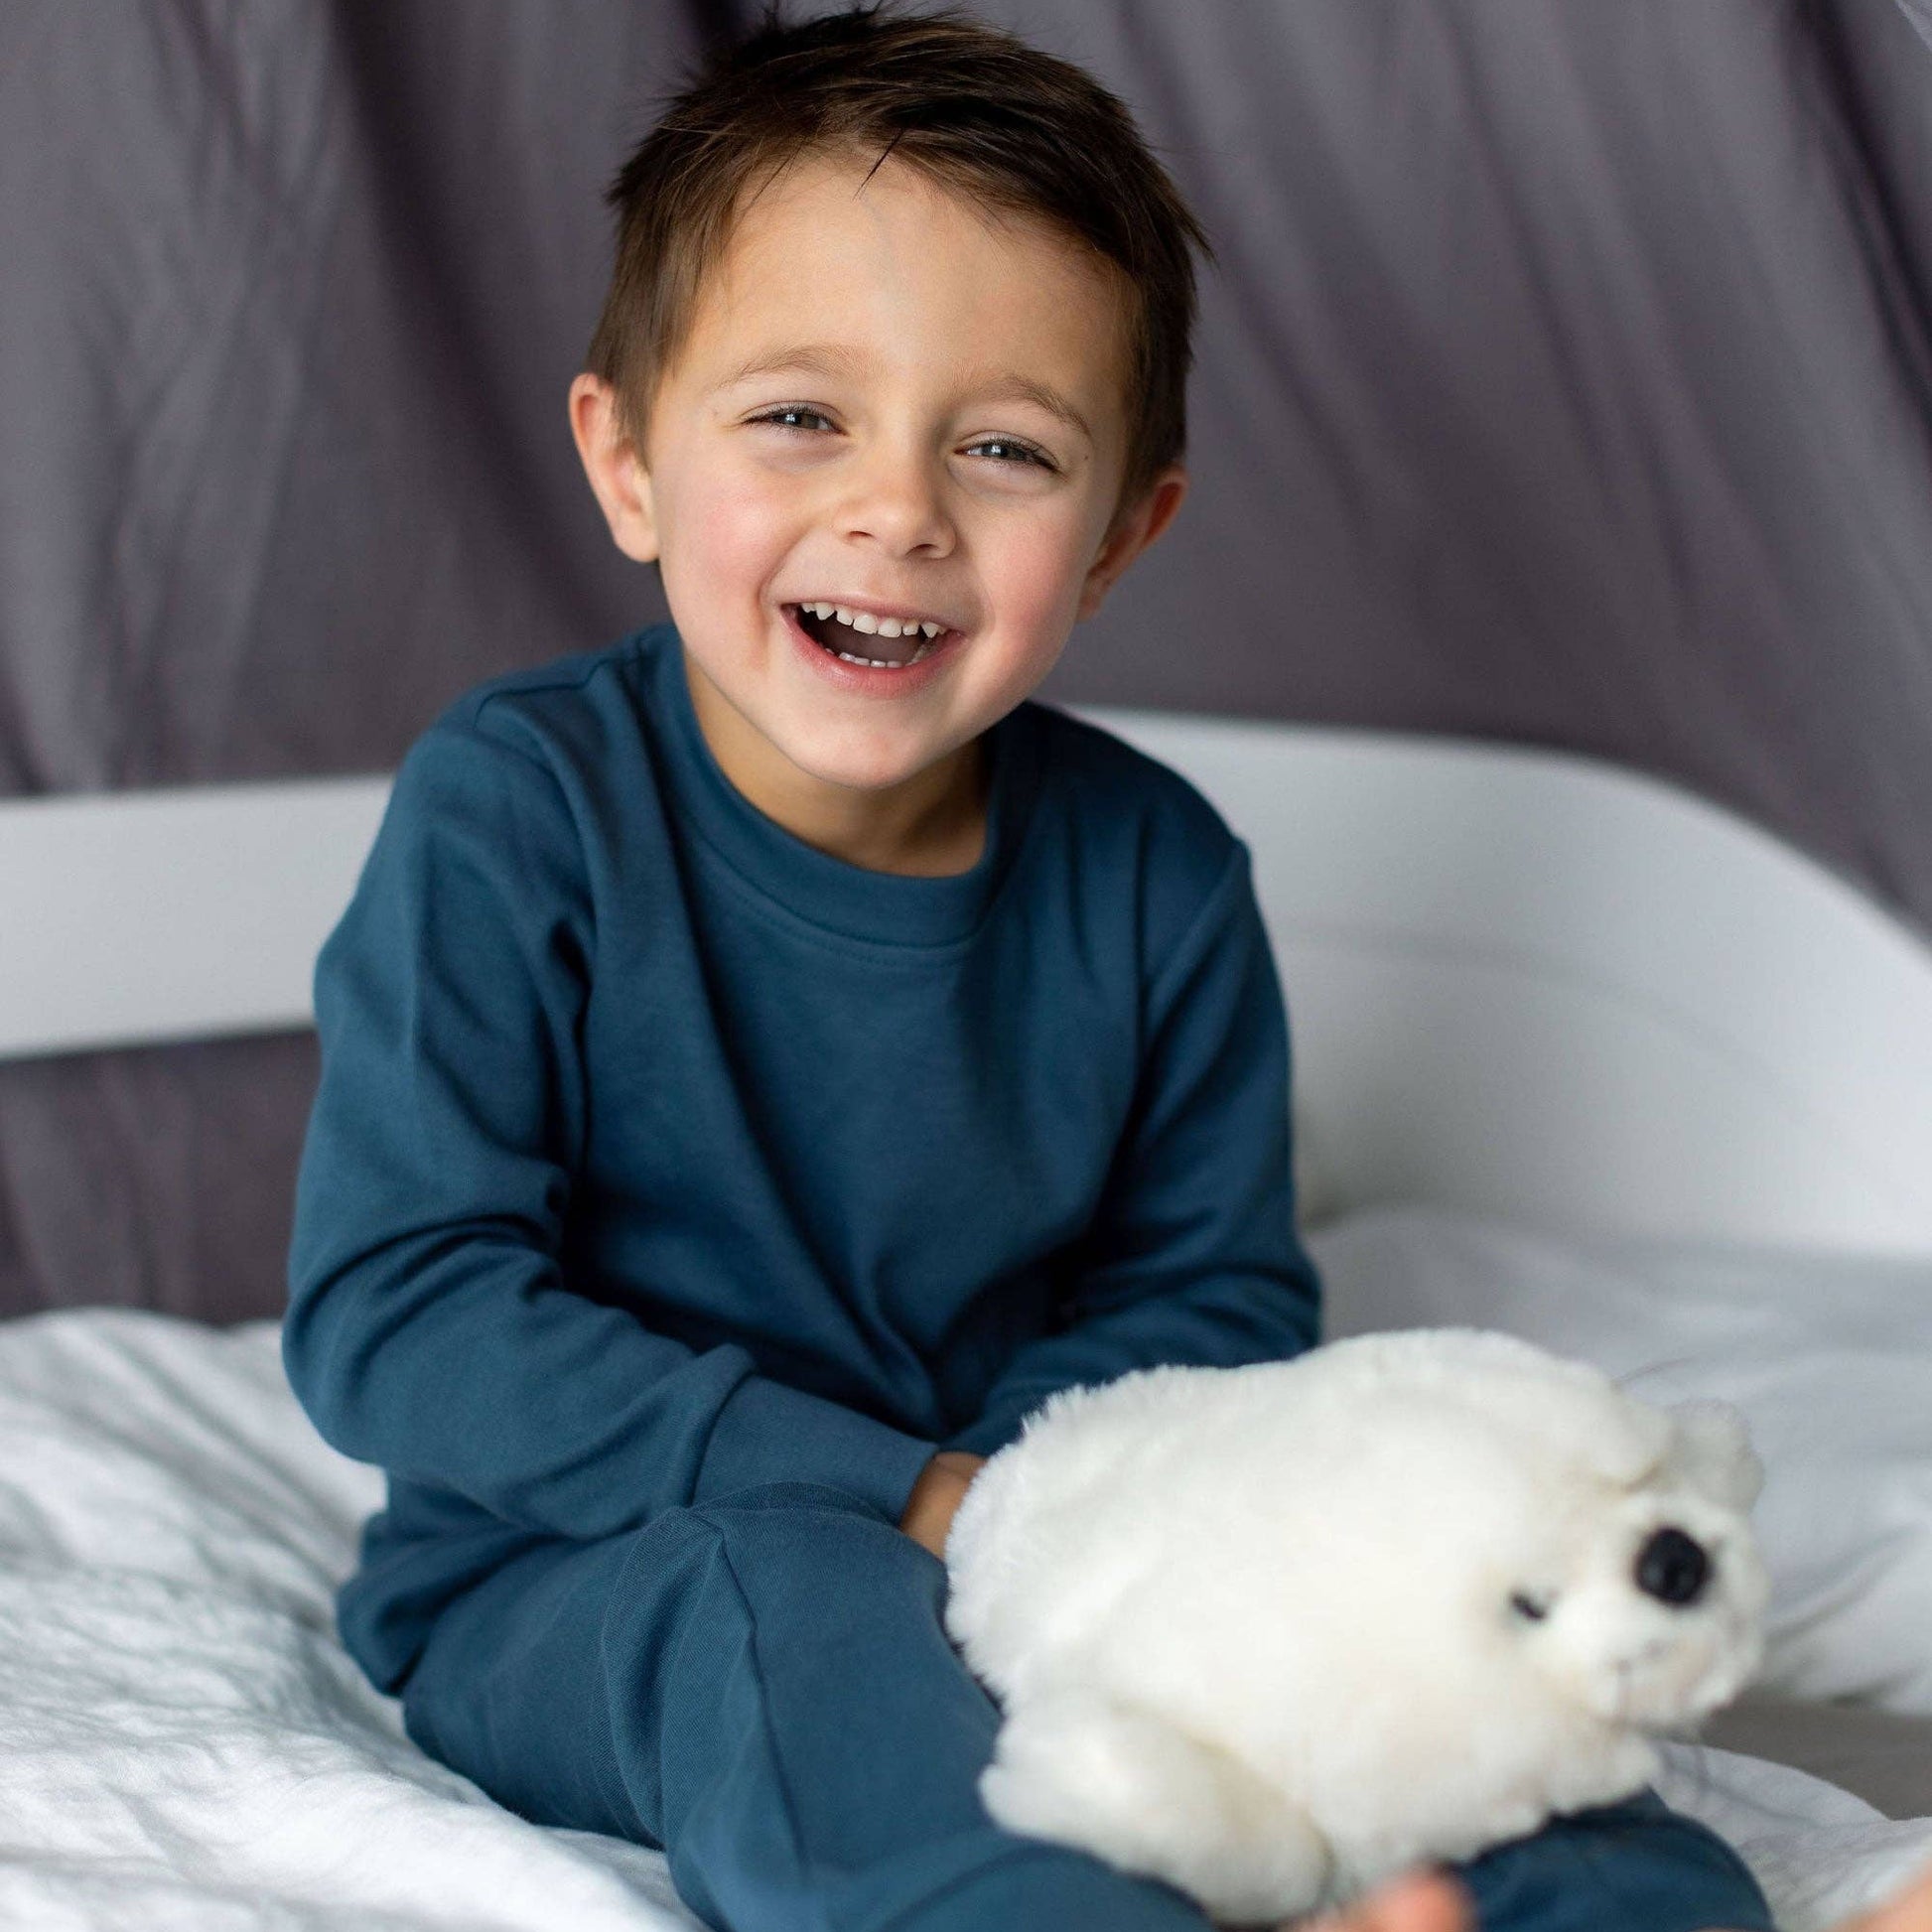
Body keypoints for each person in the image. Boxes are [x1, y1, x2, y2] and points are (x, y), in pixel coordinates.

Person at [280, 5, 1905, 1928]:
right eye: (799, 416)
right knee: (782, 1606)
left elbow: (1209, 1290)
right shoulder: (520, 808)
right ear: (627, 460)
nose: (898, 508)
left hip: (1040, 1539)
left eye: (1004, 448)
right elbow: (403, 1315)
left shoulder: (1155, 873)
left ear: (1122, 534)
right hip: (584, 1561)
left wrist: (1045, 1516)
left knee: (1418, 1669)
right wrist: (900, 1493)